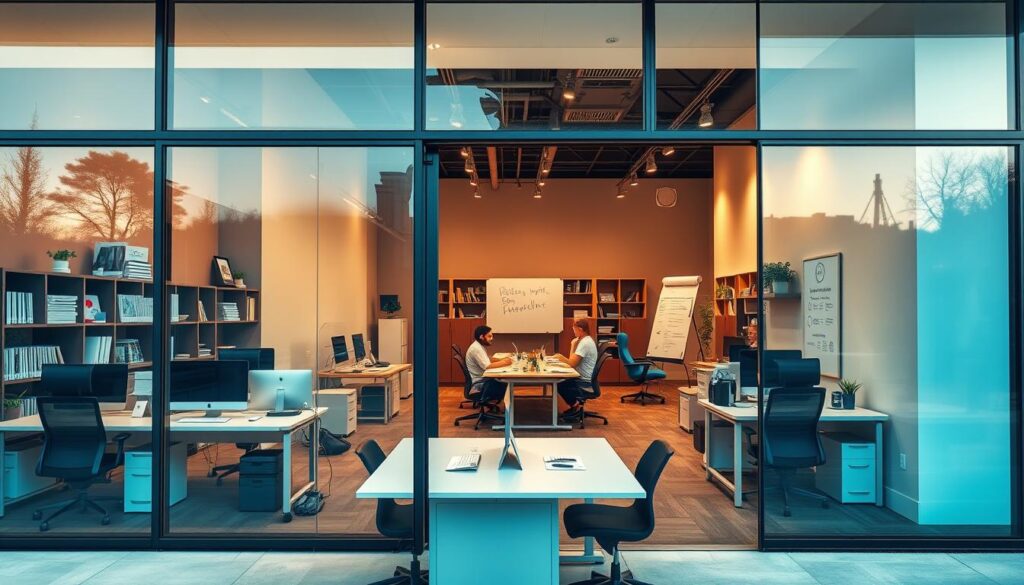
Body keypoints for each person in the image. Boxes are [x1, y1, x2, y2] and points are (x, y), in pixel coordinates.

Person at [553, 319, 599, 415]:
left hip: (583, 381)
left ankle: (574, 407)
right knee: (560, 382)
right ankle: (575, 406)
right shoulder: (585, 340)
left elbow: (572, 364)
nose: (573, 332)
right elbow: (572, 361)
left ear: (580, 329)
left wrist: (560, 357)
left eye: (574, 329)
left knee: (558, 384)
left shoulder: (585, 343)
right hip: (584, 377)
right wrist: (573, 344)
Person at [465, 325, 513, 402]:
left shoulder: (479, 345)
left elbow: (487, 360)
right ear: (481, 336)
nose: (492, 339)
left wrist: (501, 359)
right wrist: (505, 362)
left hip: (483, 379)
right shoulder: (476, 349)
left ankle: (508, 407)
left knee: (504, 378)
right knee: (506, 381)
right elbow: (487, 366)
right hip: (481, 383)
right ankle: (509, 410)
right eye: (489, 336)